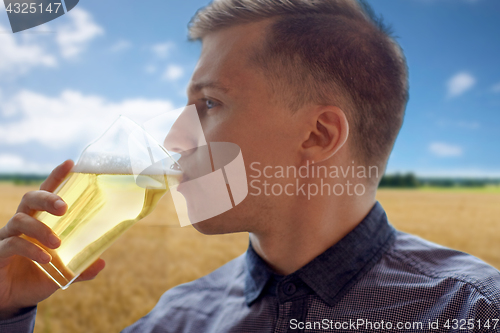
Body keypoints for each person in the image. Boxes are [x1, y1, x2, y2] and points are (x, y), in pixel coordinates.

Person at [2, 0, 500, 332]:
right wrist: (8, 308)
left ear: (319, 135)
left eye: (210, 103)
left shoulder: (473, 313)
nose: (177, 138)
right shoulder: (177, 318)